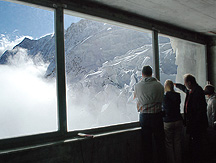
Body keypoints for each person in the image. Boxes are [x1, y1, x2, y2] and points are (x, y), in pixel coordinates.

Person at [134, 65, 166, 163]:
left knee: (146, 144)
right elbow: (162, 99)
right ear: (151, 73)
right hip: (157, 115)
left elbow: (137, 99)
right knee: (160, 142)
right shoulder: (159, 85)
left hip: (145, 117)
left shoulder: (138, 86)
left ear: (142, 74)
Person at [174, 74, 208, 163]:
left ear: (189, 83)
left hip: (196, 124)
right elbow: (185, 89)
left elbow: (199, 110)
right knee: (195, 142)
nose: (185, 85)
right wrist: (177, 85)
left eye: (185, 83)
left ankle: (197, 159)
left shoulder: (197, 92)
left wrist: (193, 122)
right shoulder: (193, 90)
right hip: (194, 123)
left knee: (197, 142)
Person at [162, 79, 183, 163]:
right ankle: (179, 160)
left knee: (169, 143)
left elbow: (164, 109)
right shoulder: (178, 96)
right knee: (177, 142)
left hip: (168, 121)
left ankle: (172, 161)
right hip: (178, 120)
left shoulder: (165, 96)